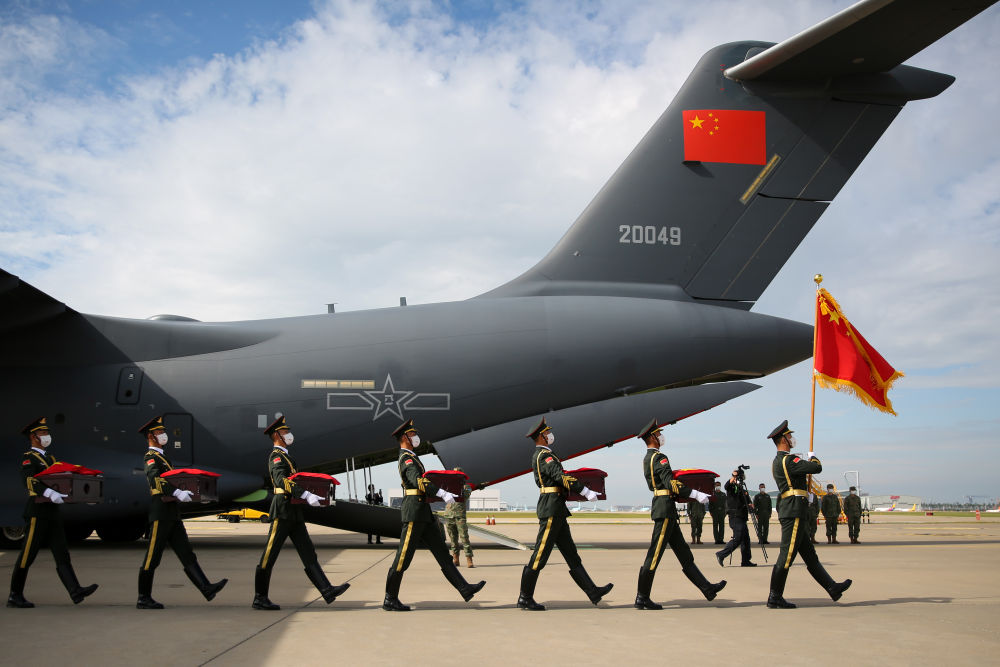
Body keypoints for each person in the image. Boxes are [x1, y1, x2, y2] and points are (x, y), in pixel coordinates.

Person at [383, 419, 485, 611]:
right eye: (412, 434)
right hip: (414, 512)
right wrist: (442, 492)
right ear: (405, 437)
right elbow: (419, 481)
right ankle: (390, 598)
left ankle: (464, 588)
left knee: (443, 554)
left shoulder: (412, 457)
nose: (415, 437)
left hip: (423, 513)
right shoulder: (406, 458)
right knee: (403, 557)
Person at [252, 416, 350, 610]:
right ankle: (260, 597)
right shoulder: (277, 457)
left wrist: (310, 495)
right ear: (277, 435)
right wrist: (305, 493)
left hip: (293, 511)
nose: (289, 435)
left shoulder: (287, 456)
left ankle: (327, 590)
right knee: (269, 555)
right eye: (285, 432)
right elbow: (282, 481)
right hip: (282, 510)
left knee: (308, 551)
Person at [517, 418, 612, 611]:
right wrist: (585, 491)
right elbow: (561, 477)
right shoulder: (545, 456)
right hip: (551, 509)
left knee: (571, 554)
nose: (550, 435)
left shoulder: (544, 455)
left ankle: (592, 591)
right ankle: (525, 597)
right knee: (540, 555)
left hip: (557, 509)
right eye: (547, 433)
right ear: (542, 436)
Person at [633, 419, 726, 610]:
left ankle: (707, 588)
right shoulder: (660, 458)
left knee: (684, 553)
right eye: (658, 434)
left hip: (665, 508)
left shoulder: (647, 458)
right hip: (665, 509)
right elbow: (670, 483)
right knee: (655, 554)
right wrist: (695, 494)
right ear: (652, 437)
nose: (661, 436)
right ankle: (642, 597)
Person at [137, 415, 227, 609]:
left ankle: (206, 588)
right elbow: (156, 480)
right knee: (153, 556)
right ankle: (143, 597)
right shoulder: (151, 458)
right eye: (160, 432)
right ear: (151, 436)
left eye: (163, 432)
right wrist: (176, 491)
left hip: (171, 513)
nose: (164, 435)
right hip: (161, 512)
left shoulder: (163, 458)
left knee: (186, 553)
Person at [7, 417, 98, 608]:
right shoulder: (29, 458)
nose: (46, 436)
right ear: (33, 437)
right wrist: (48, 492)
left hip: (52, 511)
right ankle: (15, 594)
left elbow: (62, 478)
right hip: (37, 511)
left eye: (47, 432)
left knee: (61, 552)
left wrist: (81, 489)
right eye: (42, 433)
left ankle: (75, 590)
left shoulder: (50, 459)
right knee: (28, 554)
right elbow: (30, 481)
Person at [766, 420, 851, 609]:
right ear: (783, 440)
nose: (792, 439)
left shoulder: (780, 461)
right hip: (794, 510)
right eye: (789, 436)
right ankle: (775, 596)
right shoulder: (789, 460)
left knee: (810, 556)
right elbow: (816, 468)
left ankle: (832, 588)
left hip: (796, 508)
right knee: (786, 556)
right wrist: (813, 458)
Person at [715, 469, 756, 567]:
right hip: (735, 516)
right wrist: (733, 476)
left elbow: (747, 502)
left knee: (745, 539)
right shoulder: (732, 488)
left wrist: (751, 506)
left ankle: (745, 561)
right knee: (738, 538)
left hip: (742, 517)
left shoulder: (742, 489)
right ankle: (721, 554)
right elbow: (726, 486)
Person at [441, 467, 474, 567]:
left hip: (460, 516)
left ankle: (469, 559)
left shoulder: (466, 487)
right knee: (453, 539)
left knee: (464, 538)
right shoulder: (447, 486)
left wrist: (458, 486)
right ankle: (455, 559)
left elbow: (465, 496)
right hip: (449, 515)